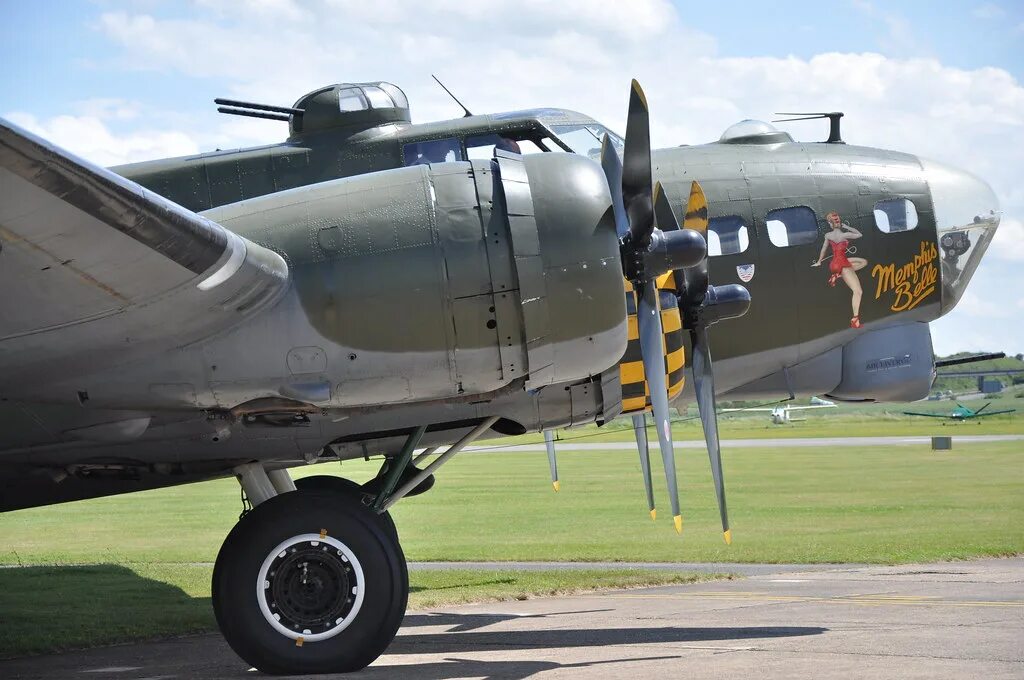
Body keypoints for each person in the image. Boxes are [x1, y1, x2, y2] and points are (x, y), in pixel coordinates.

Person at [812, 211, 868, 328]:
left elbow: (823, 249)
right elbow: (859, 234)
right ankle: (855, 319)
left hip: (834, 264)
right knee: (858, 291)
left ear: (829, 223)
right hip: (843, 264)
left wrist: (819, 262)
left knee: (863, 262)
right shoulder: (844, 235)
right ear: (839, 222)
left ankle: (836, 275)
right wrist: (847, 227)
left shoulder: (828, 235)